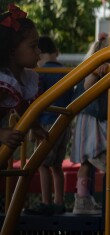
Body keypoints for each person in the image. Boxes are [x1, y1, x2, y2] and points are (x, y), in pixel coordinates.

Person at [69, 32, 110, 215]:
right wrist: (95, 72)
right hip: (89, 119)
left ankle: (83, 200)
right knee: (87, 163)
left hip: (98, 118)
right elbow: (87, 86)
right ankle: (82, 201)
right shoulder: (97, 66)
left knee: (87, 164)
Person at [28, 35, 75, 216]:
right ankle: (59, 201)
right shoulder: (67, 72)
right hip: (64, 123)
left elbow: (36, 100)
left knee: (42, 165)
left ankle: (46, 202)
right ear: (55, 52)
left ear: (39, 53)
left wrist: (34, 127)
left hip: (46, 124)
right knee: (57, 166)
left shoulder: (40, 73)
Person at [0, 4, 43, 150]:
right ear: (12, 52)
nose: (39, 51)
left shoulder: (19, 79)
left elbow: (22, 107)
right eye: (33, 46)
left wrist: (34, 126)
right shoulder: (3, 83)